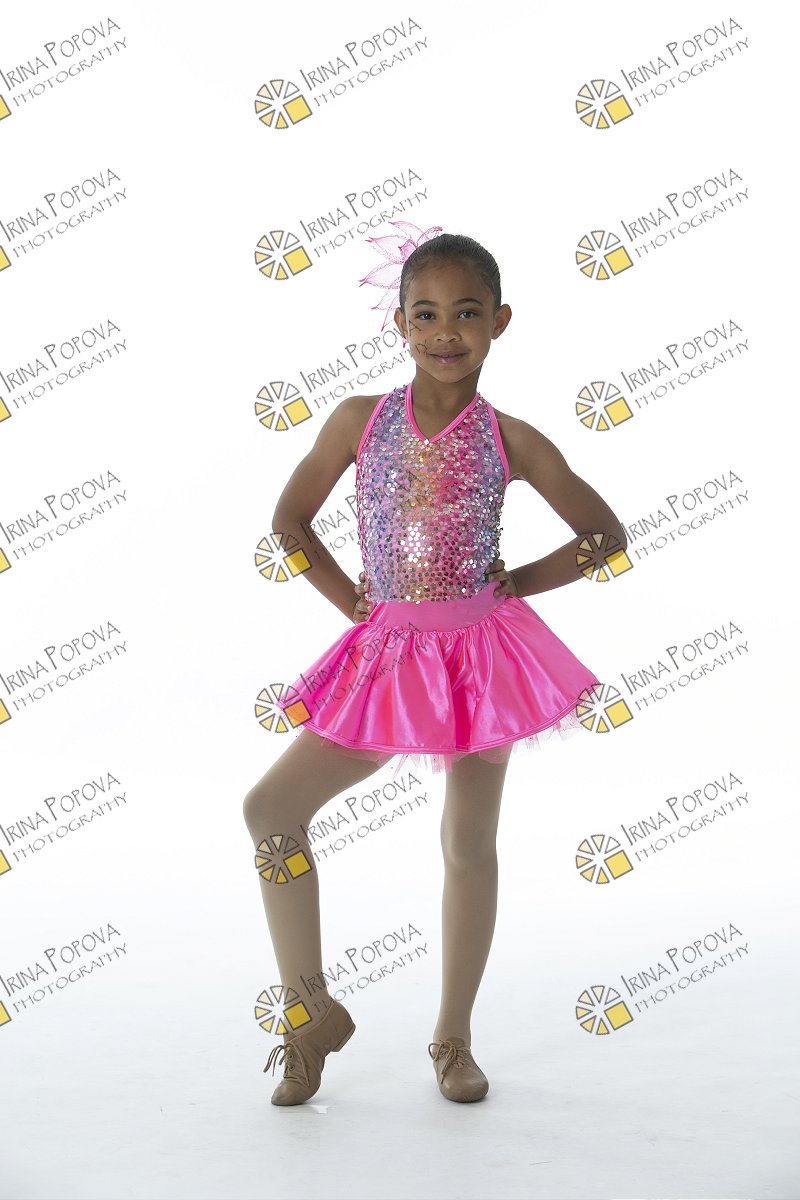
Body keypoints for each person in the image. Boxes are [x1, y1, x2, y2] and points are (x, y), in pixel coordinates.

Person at [243, 232, 627, 1107]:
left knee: (466, 842)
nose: (445, 332)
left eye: (466, 313)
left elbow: (605, 537)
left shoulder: (512, 439)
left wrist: (519, 583)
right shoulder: (358, 420)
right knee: (271, 810)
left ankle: (453, 1038)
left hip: (481, 657)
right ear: (400, 324)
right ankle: (309, 1015)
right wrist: (353, 604)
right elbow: (290, 523)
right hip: (389, 651)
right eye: (426, 314)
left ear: (500, 321)